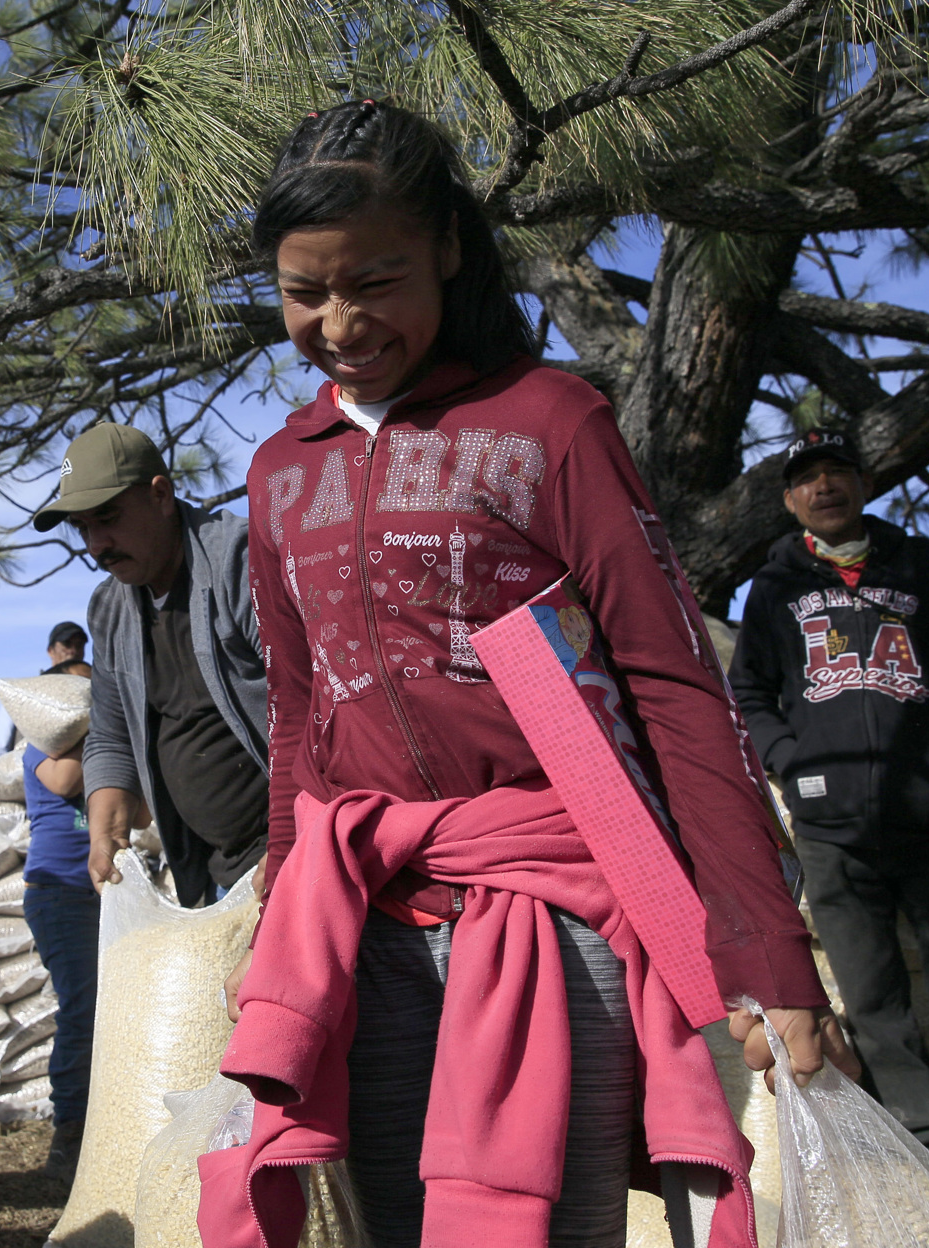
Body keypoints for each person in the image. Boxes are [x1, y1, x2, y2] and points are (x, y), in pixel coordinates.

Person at [208, 101, 852, 1248]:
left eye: (376, 279)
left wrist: (765, 948)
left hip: (565, 913)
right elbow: (301, 714)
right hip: (370, 921)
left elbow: (670, 685)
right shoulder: (277, 474)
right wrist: (278, 923)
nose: (341, 323)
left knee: (555, 1224)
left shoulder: (549, 420)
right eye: (305, 292)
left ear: (450, 248)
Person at [727, 429, 929, 1245]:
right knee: (875, 1005)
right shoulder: (773, 589)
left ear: (863, 482)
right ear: (787, 499)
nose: (824, 486)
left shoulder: (927, 567)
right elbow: (751, 692)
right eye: (806, 478)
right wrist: (791, 765)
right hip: (832, 832)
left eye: (837, 470)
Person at [32, 425, 269, 909]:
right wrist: (108, 834)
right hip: (220, 876)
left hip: (294, 853)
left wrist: (296, 845)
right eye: (82, 528)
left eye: (109, 517)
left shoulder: (239, 564)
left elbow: (314, 710)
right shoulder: (111, 609)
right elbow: (112, 734)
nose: (97, 544)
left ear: (161, 495)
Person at [17, 657, 98, 1182]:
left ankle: (93, 1125)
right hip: (57, 894)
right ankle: (67, 1136)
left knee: (102, 1011)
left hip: (97, 894)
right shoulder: (40, 748)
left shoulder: (102, 747)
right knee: (82, 1010)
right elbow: (68, 780)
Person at [0, 622, 91, 761]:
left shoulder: (92, 690)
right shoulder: (24, 694)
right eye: (67, 644)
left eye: (79, 645)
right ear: (50, 650)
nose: (73, 650)